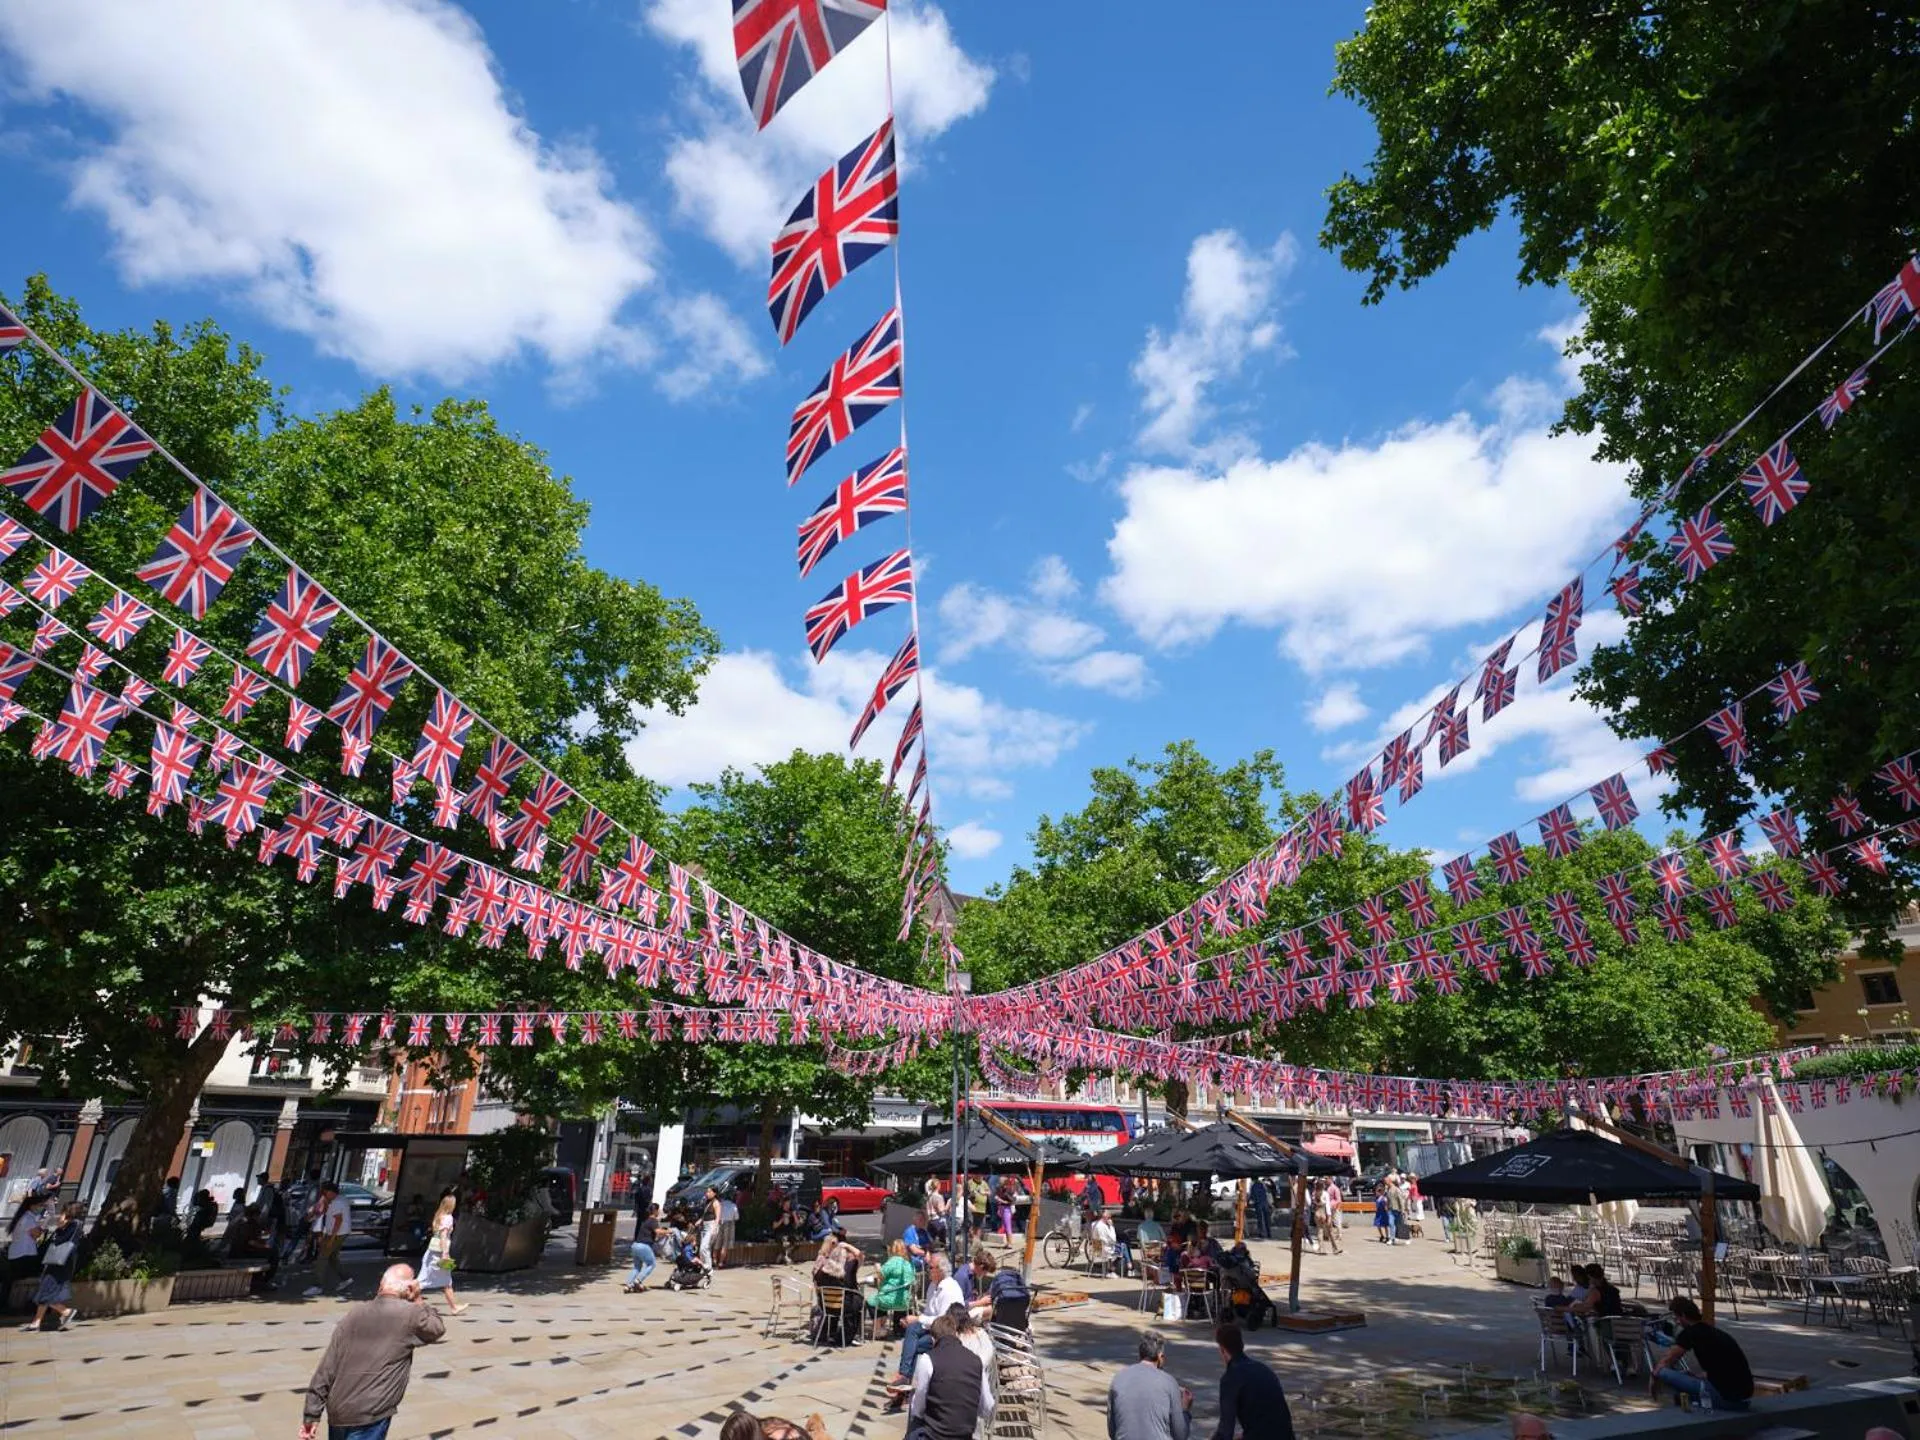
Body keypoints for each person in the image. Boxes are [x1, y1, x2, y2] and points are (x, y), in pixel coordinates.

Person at [300, 1263, 447, 1440]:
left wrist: (312, 1413)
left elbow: (327, 1366)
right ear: (409, 1288)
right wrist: (418, 1299)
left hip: (339, 1410)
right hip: (371, 1412)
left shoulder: (355, 1313)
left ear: (381, 1285)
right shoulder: (410, 1314)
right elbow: (436, 1328)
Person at [887, 1252, 965, 1409]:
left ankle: (904, 1384)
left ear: (940, 1269)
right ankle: (904, 1380)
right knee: (912, 1330)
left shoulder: (949, 1289)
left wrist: (917, 1319)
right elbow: (929, 1314)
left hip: (946, 1334)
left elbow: (944, 1322)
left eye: (930, 1267)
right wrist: (916, 1320)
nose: (928, 1271)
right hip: (933, 1329)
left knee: (914, 1344)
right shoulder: (933, 1286)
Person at [1649, 1296, 1752, 1412]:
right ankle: (1689, 1403)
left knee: (1663, 1372)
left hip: (1725, 1398)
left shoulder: (1689, 1333)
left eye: (1676, 1318)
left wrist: (1654, 1376)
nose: (1677, 1322)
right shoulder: (1715, 1333)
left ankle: (1681, 1407)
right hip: (1743, 1399)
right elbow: (1724, 1367)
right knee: (1685, 1375)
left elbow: (1667, 1360)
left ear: (1683, 1315)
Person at [907, 1306, 995, 1440]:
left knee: (914, 1413)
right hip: (965, 1434)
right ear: (955, 1333)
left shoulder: (928, 1359)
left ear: (932, 1339)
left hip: (934, 1434)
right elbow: (988, 1405)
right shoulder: (976, 1361)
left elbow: (919, 1402)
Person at [1210, 1322, 1295, 1440]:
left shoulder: (1230, 1379)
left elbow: (1226, 1431)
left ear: (1222, 1350)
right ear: (1242, 1345)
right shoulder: (1263, 1369)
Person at [1108, 1330, 1192, 1440]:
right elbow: (1180, 1435)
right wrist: (1185, 1409)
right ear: (1160, 1356)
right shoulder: (1169, 1382)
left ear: (1141, 1354)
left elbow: (1112, 1430)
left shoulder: (1118, 1379)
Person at [20, 1202, 84, 1333]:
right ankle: (36, 1322)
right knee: (45, 1288)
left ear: (69, 1212)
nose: (61, 1214)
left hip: (62, 1262)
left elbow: (62, 1240)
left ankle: (66, 1311)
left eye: (64, 1211)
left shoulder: (75, 1224)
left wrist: (61, 1224)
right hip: (55, 1261)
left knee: (46, 1290)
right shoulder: (67, 1225)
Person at [417, 1194, 467, 1315]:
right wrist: (445, 1253)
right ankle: (403, 1297)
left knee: (444, 1280)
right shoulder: (448, 1218)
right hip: (440, 1253)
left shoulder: (439, 1215)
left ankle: (454, 1306)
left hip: (432, 1251)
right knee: (424, 1281)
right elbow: (444, 1236)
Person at [305, 1182, 352, 1298]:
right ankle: (345, 1278)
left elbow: (338, 1220)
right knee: (332, 1257)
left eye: (324, 1193)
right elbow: (326, 1212)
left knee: (322, 1257)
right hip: (341, 1232)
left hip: (336, 1233)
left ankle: (317, 1286)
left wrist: (331, 1238)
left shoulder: (336, 1203)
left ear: (330, 1192)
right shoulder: (341, 1199)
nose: (323, 1195)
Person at [6, 1194, 50, 1312]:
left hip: (16, 1253)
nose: (41, 1207)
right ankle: (25, 1306)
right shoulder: (28, 1218)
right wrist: (43, 1225)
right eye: (40, 1205)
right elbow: (36, 1235)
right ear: (32, 1206)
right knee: (29, 1279)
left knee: (19, 1280)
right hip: (25, 1253)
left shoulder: (23, 1217)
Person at [865, 1239, 916, 1335]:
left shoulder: (893, 1262)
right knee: (880, 1297)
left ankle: (878, 1329)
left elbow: (881, 1275)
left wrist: (877, 1268)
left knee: (871, 1301)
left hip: (889, 1298)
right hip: (905, 1300)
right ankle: (884, 1327)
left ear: (892, 1249)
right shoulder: (909, 1264)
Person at [627, 1201, 663, 1292]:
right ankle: (638, 1280)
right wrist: (668, 1232)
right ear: (655, 1211)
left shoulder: (646, 1220)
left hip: (635, 1245)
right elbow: (658, 1232)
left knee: (637, 1267)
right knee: (651, 1264)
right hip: (643, 1246)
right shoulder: (653, 1220)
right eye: (658, 1210)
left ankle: (628, 1285)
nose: (659, 1212)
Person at [697, 1187, 721, 1270]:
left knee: (704, 1247)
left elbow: (718, 1217)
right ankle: (703, 1266)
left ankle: (708, 1268)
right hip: (704, 1225)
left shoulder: (716, 1203)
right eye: (707, 1192)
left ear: (714, 1193)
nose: (707, 1193)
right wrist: (700, 1220)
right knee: (701, 1249)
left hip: (711, 1226)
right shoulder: (707, 1202)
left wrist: (714, 1228)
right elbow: (705, 1215)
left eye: (709, 1192)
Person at [717, 1188, 739, 1268]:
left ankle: (714, 1260)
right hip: (729, 1224)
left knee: (717, 1243)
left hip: (719, 1223)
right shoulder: (733, 1206)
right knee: (725, 1244)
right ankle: (721, 1262)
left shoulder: (719, 1204)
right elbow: (736, 1217)